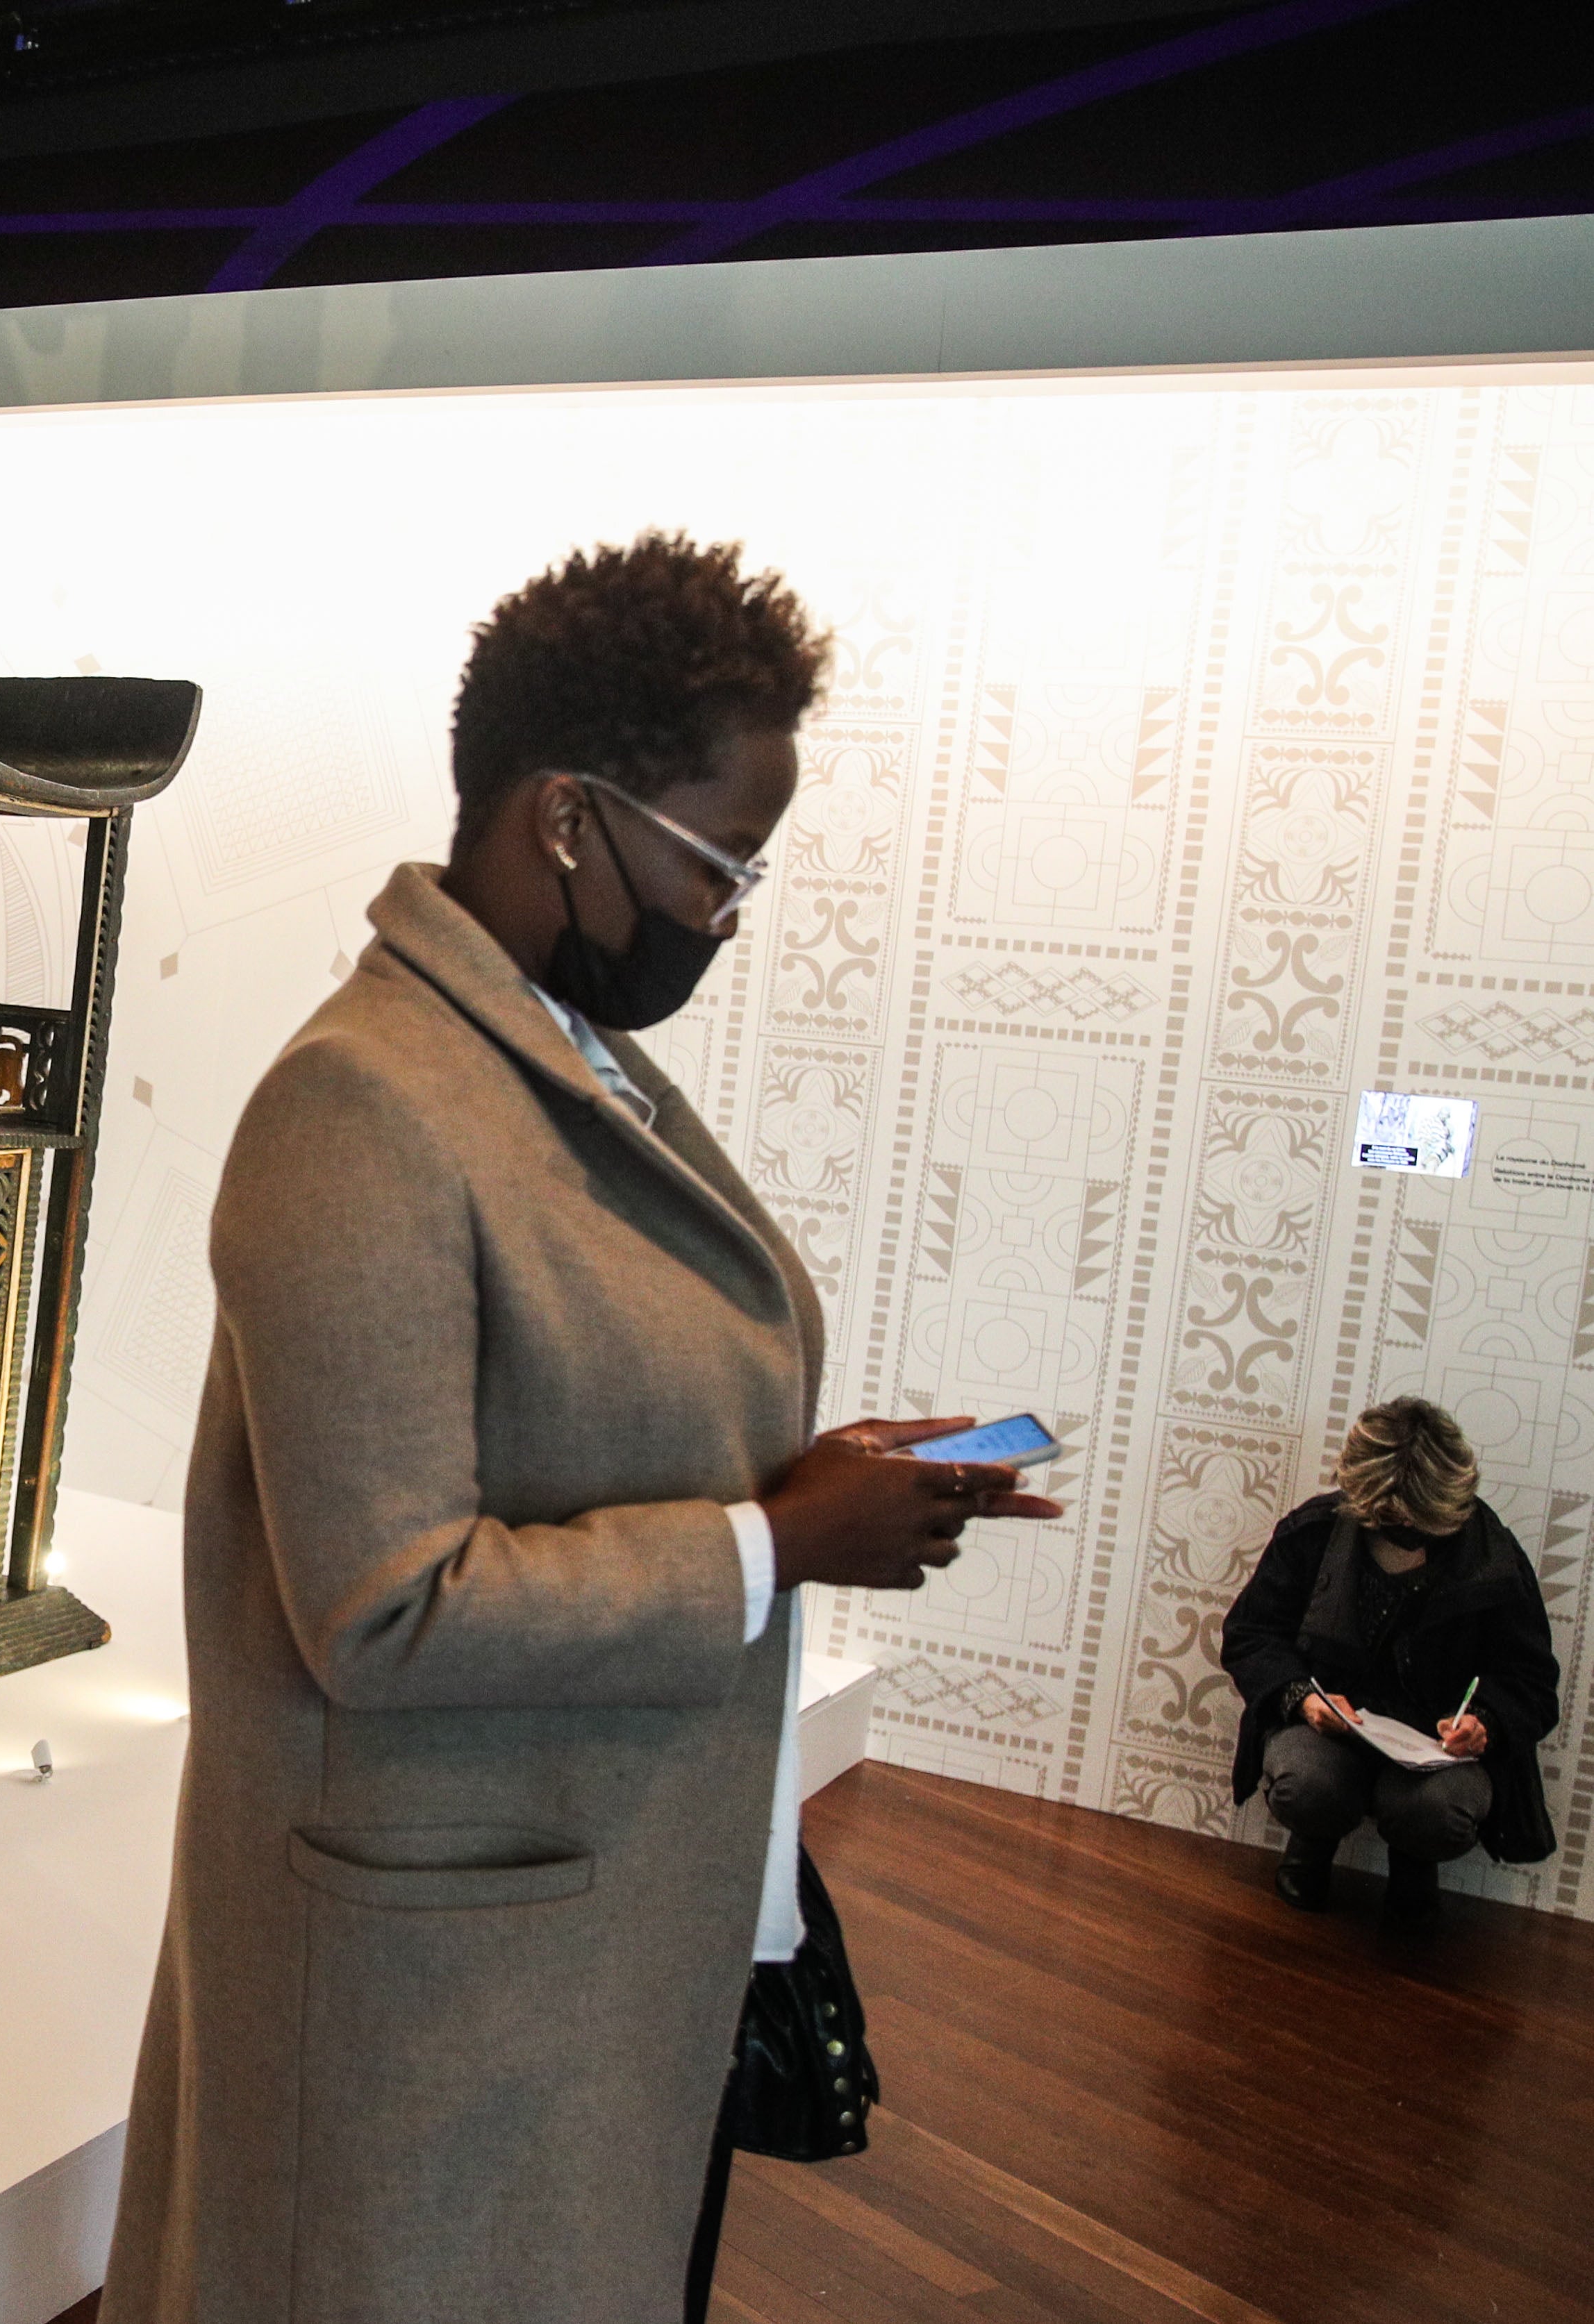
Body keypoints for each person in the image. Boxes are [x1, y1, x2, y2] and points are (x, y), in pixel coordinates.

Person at [101, 534, 1061, 2324]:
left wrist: (818, 1473)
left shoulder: (550, 1051)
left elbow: (589, 1396)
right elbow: (385, 1609)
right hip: (439, 1967)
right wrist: (778, 1542)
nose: (723, 916)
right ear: (563, 817)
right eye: (717, 864)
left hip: (569, 1923)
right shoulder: (361, 1107)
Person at [1220, 1397, 1561, 1920]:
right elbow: (1252, 1632)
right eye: (1386, 1511)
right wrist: (1301, 1698)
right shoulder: (1314, 1531)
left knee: (1439, 1811)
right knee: (1305, 1782)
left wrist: (1485, 1723)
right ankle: (1311, 1845)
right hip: (1330, 1732)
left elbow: (1532, 1679)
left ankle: (1414, 1864)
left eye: (1416, 1513)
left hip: (1436, 1751)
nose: (1401, 1521)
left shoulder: (1495, 1561)